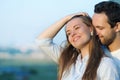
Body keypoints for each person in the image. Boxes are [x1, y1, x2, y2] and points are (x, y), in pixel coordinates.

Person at [36, 13, 119, 80]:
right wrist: (66, 18)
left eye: (77, 28)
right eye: (68, 33)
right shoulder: (68, 60)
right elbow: (42, 41)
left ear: (90, 29)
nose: (72, 34)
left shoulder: (105, 64)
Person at [92, 1, 120, 70]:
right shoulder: (94, 50)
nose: (95, 33)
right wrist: (67, 19)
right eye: (94, 28)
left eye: (100, 28)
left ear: (117, 27)